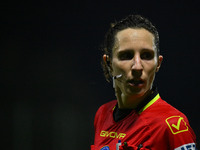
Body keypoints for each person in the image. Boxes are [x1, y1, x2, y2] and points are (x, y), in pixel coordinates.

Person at [91, 15, 197, 150]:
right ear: (109, 64)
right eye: (126, 56)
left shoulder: (173, 125)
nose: (137, 66)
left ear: (158, 63)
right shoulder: (102, 114)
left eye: (146, 56)